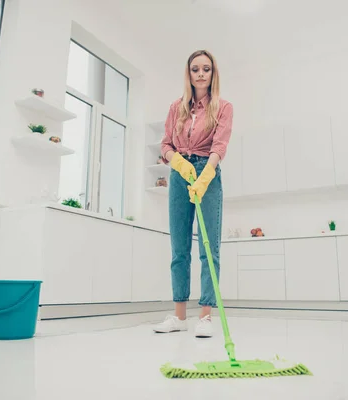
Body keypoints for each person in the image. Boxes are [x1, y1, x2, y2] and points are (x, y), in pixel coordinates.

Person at [153, 49, 233, 338]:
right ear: (188, 74)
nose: (201, 74)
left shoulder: (223, 107)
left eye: (206, 69)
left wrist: (204, 177)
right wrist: (176, 161)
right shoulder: (177, 107)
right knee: (179, 249)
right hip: (179, 174)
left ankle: (206, 316)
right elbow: (165, 144)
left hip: (207, 173)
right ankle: (179, 317)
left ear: (213, 73)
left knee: (208, 249)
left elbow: (219, 147)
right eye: (195, 69)